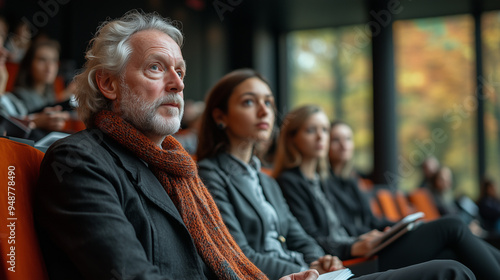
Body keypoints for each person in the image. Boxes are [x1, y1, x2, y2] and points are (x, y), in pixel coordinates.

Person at [34, 11, 320, 280]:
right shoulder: (78, 161)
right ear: (109, 84)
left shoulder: (178, 171)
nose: (178, 85)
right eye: (156, 67)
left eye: (180, 72)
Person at [196, 69, 475, 280]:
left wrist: (322, 260)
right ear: (220, 116)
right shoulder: (210, 174)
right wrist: (310, 268)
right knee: (450, 268)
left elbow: (301, 237)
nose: (264, 111)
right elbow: (237, 254)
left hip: (318, 272)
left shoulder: (266, 181)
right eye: (249, 102)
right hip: (293, 276)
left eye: (269, 102)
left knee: (453, 260)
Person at [274, 106, 500, 279]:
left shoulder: (320, 180)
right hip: (350, 259)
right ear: (292, 138)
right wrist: (354, 244)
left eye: (324, 130)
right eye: (311, 130)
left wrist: (389, 232)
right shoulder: (291, 182)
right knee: (453, 226)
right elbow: (309, 238)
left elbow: (358, 224)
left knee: (451, 253)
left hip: (363, 248)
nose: (321, 136)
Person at [327, 121, 394, 234]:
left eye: (348, 139)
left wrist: (400, 225)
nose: (344, 145)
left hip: (368, 237)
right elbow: (341, 227)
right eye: (336, 140)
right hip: (356, 243)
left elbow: (372, 220)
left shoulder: (353, 180)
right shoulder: (322, 184)